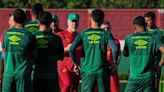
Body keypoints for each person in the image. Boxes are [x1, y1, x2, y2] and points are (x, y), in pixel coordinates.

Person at [69, 9, 118, 92]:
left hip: (87, 71)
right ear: (102, 20)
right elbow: (115, 49)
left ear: (91, 18)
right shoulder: (106, 33)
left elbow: (71, 49)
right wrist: (114, 63)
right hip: (102, 71)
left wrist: (76, 64)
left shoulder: (83, 33)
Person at [123, 16, 164, 92]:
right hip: (149, 78)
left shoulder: (129, 38)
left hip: (134, 78)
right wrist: (159, 64)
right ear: (146, 25)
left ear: (134, 26)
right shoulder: (154, 38)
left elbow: (125, 53)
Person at [2, 9, 37, 92]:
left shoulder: (6, 34)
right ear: (25, 19)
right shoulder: (29, 36)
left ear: (13, 19)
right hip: (23, 75)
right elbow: (35, 56)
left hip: (8, 74)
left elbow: (4, 52)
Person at [33, 11, 64, 92]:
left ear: (38, 21)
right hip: (52, 77)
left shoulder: (32, 37)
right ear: (50, 22)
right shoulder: (57, 39)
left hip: (36, 76)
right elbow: (61, 57)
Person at [57, 12, 81, 92]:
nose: (74, 24)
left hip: (75, 68)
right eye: (72, 21)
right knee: (67, 84)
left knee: (74, 89)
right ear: (68, 22)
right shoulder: (61, 35)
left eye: (76, 21)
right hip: (63, 67)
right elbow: (55, 52)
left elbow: (82, 53)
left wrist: (78, 65)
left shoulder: (80, 36)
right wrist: (66, 49)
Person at [144, 11, 164, 92]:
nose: (146, 22)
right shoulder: (142, 31)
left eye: (148, 20)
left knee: (154, 89)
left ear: (154, 19)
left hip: (154, 68)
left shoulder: (161, 32)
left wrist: (159, 65)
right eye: (145, 20)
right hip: (143, 68)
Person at [101, 20, 121, 92]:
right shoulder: (98, 41)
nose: (106, 30)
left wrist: (115, 65)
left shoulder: (116, 41)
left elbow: (118, 55)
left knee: (114, 89)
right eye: (104, 29)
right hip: (101, 69)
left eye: (108, 28)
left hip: (112, 70)